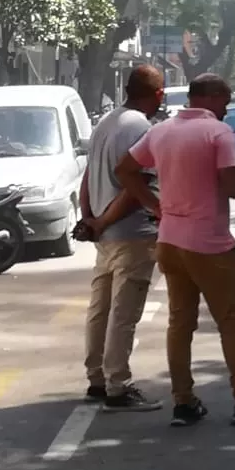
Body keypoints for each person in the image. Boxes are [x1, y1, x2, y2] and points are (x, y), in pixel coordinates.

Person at [115, 74, 235, 427]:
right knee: (232, 323)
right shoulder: (218, 133)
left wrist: (155, 205)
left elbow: (125, 170)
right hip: (209, 244)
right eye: (225, 100)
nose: (226, 108)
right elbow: (232, 188)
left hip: (170, 241)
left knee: (180, 324)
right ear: (211, 97)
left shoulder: (162, 130)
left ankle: (183, 402)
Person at [79, 64, 165, 412]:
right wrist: (102, 221)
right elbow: (133, 186)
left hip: (105, 235)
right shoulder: (141, 127)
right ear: (158, 95)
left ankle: (97, 378)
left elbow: (88, 177)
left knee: (100, 308)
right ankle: (118, 384)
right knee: (124, 313)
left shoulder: (107, 121)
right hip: (130, 233)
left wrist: (91, 219)